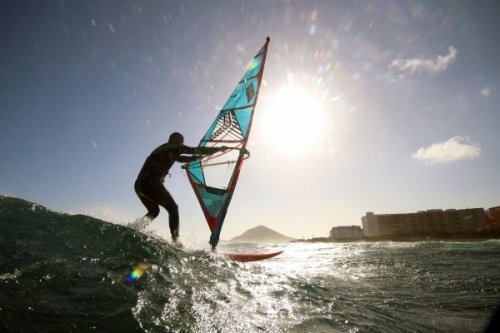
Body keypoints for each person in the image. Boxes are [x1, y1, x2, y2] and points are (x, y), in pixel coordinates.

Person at [129, 132, 226, 247]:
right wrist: (218, 149)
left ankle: (136, 228)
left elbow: (182, 158)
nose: (183, 143)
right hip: (151, 183)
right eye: (182, 141)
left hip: (139, 185)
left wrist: (197, 158)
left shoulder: (165, 149)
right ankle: (175, 240)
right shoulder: (174, 147)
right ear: (176, 140)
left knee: (154, 211)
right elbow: (195, 150)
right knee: (173, 208)